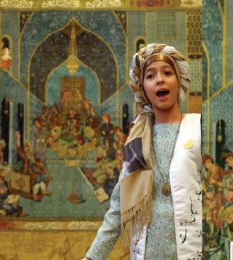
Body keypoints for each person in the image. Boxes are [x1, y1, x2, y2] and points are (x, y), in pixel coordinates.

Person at [83, 43, 202, 259]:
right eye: (150, 75)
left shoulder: (198, 128)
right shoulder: (137, 141)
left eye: (167, 73)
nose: (160, 79)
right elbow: (117, 211)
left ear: (179, 81)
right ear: (143, 88)